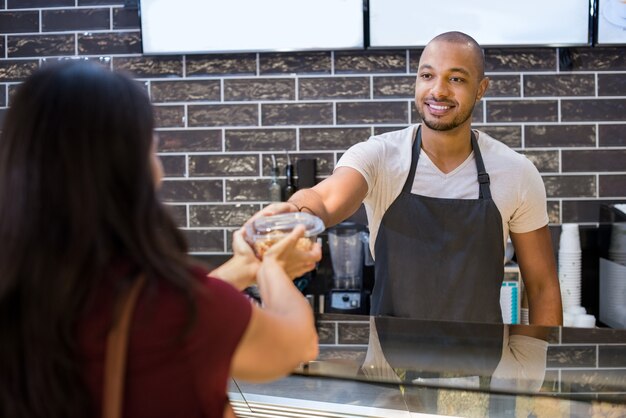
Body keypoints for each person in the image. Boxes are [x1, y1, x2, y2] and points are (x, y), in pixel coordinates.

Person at [0, 61, 321, 418]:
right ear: (127, 168)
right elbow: (295, 344)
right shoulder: (180, 310)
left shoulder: (25, 291)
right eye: (151, 149)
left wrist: (246, 265)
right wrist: (272, 269)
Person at [251, 31, 562, 327]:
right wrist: (295, 216)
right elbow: (325, 198)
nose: (438, 90)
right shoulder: (381, 156)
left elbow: (542, 286)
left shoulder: (516, 172)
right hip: (387, 372)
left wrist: (544, 373)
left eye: (456, 78)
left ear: (481, 89)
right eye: (427, 75)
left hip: (482, 374)